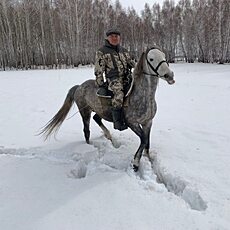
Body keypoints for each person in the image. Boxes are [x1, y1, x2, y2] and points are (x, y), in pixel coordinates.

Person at [94, 27, 135, 131]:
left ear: (119, 38)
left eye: (116, 36)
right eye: (112, 36)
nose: (114, 38)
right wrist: (100, 83)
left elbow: (132, 62)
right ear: (108, 38)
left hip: (126, 77)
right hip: (113, 79)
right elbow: (99, 68)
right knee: (119, 94)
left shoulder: (124, 51)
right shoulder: (102, 51)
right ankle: (118, 122)